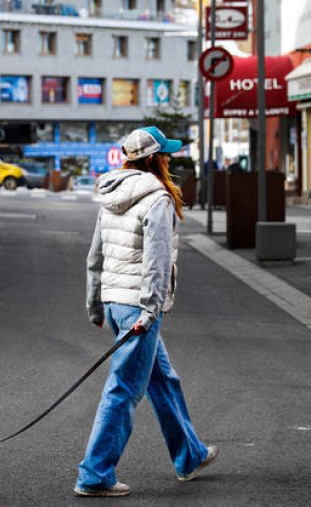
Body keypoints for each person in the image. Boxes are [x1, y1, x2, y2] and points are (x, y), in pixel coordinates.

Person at [75, 126, 218, 498]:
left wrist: (95, 305)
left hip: (116, 302)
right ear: (155, 158)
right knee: (123, 390)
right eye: (165, 154)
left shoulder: (110, 193)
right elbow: (157, 262)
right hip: (139, 308)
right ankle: (94, 475)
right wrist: (151, 310)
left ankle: (189, 455)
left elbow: (95, 256)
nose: (169, 159)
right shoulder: (157, 199)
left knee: (162, 379)